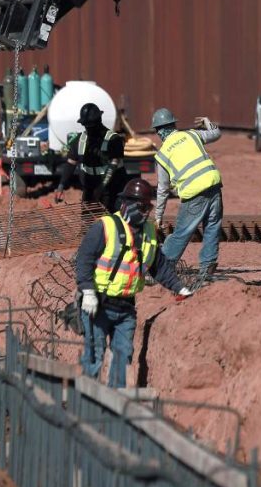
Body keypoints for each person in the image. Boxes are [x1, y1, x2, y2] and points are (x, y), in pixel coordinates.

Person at [75, 178, 191, 388]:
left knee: (123, 355)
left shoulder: (149, 232)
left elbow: (159, 267)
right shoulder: (105, 227)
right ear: (127, 204)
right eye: (142, 207)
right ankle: (86, 405)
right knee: (94, 355)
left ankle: (114, 405)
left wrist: (179, 287)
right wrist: (87, 291)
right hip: (98, 305)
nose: (146, 212)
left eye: (148, 207)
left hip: (126, 308)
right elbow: (84, 259)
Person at [152, 108, 223, 285]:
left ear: (159, 131)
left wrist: (158, 217)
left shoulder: (162, 154)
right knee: (212, 227)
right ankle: (207, 268)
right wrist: (207, 121)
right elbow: (216, 133)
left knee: (181, 232)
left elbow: (162, 189)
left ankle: (160, 268)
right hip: (213, 185)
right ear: (174, 125)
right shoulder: (192, 135)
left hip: (194, 193)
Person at [56, 103, 128, 212]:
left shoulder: (113, 140)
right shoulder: (79, 140)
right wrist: (61, 186)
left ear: (98, 121)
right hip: (89, 190)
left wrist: (100, 188)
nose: (88, 128)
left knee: (111, 223)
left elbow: (112, 167)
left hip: (112, 189)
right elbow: (70, 163)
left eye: (90, 125)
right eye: (85, 125)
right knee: (87, 223)